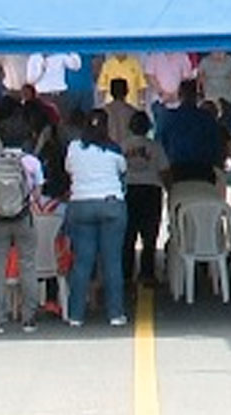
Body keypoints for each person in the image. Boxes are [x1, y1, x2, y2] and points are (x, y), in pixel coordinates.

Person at [62, 108, 128, 328]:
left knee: (82, 261)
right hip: (111, 205)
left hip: (81, 205)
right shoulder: (114, 150)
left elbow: (69, 170)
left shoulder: (73, 148)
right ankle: (115, 314)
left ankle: (76, 315)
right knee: (112, 261)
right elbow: (122, 173)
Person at [0, 114, 45, 334]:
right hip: (23, 219)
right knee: (27, 265)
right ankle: (29, 319)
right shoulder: (31, 163)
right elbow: (37, 194)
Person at [120, 110, 169, 288]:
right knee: (149, 234)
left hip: (129, 191)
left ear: (130, 127)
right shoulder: (155, 147)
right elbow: (164, 171)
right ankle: (147, 274)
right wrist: (169, 189)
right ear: (148, 127)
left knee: (128, 235)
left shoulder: (123, 146)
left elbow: (118, 171)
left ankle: (126, 274)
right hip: (151, 190)